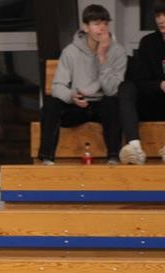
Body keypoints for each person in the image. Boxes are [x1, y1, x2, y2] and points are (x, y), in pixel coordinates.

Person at [37, 4, 126, 165]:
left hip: (102, 105)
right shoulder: (70, 51)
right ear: (86, 27)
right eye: (96, 24)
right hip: (77, 105)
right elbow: (57, 86)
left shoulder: (117, 51)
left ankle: (113, 157)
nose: (102, 28)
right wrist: (71, 96)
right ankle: (46, 158)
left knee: (113, 103)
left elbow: (112, 90)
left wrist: (102, 58)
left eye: (105, 24)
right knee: (50, 105)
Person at [118, 0, 165, 164]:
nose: (161, 20)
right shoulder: (148, 42)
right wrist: (160, 85)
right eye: (158, 15)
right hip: (152, 101)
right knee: (126, 87)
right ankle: (135, 148)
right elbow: (141, 81)